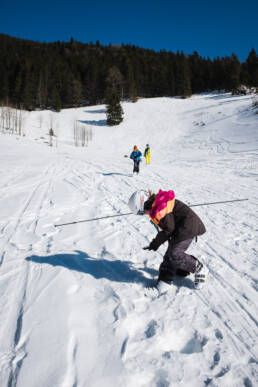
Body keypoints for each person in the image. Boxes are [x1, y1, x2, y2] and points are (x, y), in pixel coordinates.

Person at [128, 189, 208, 294]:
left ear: (144, 205)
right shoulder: (157, 205)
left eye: (141, 212)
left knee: (174, 253)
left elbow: (168, 229)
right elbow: (169, 228)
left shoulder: (160, 209)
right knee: (170, 256)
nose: (144, 214)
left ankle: (199, 268)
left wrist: (155, 243)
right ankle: (164, 284)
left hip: (188, 227)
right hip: (180, 227)